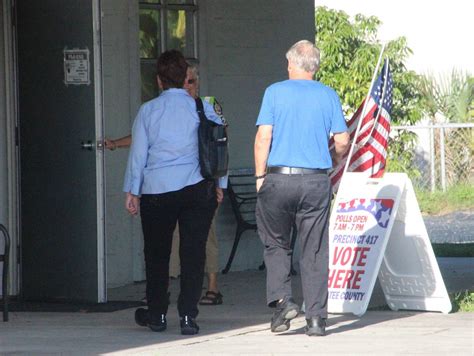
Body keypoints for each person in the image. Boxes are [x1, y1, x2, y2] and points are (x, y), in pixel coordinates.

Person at [106, 64, 226, 306]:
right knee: (181, 250)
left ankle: (160, 307)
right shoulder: (188, 109)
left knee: (166, 250)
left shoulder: (205, 106)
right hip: (194, 187)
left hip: (166, 189)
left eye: (192, 82)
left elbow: (218, 145)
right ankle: (185, 312)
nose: (188, 86)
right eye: (186, 81)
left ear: (160, 81)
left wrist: (133, 190)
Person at [254, 40, 349, 337]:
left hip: (279, 179)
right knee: (315, 249)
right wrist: (333, 159)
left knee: (276, 242)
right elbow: (343, 140)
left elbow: (263, 138)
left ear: (293, 64)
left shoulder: (274, 92)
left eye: (287, 63)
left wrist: (260, 176)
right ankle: (317, 320)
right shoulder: (328, 95)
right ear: (316, 67)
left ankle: (283, 302)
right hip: (314, 180)